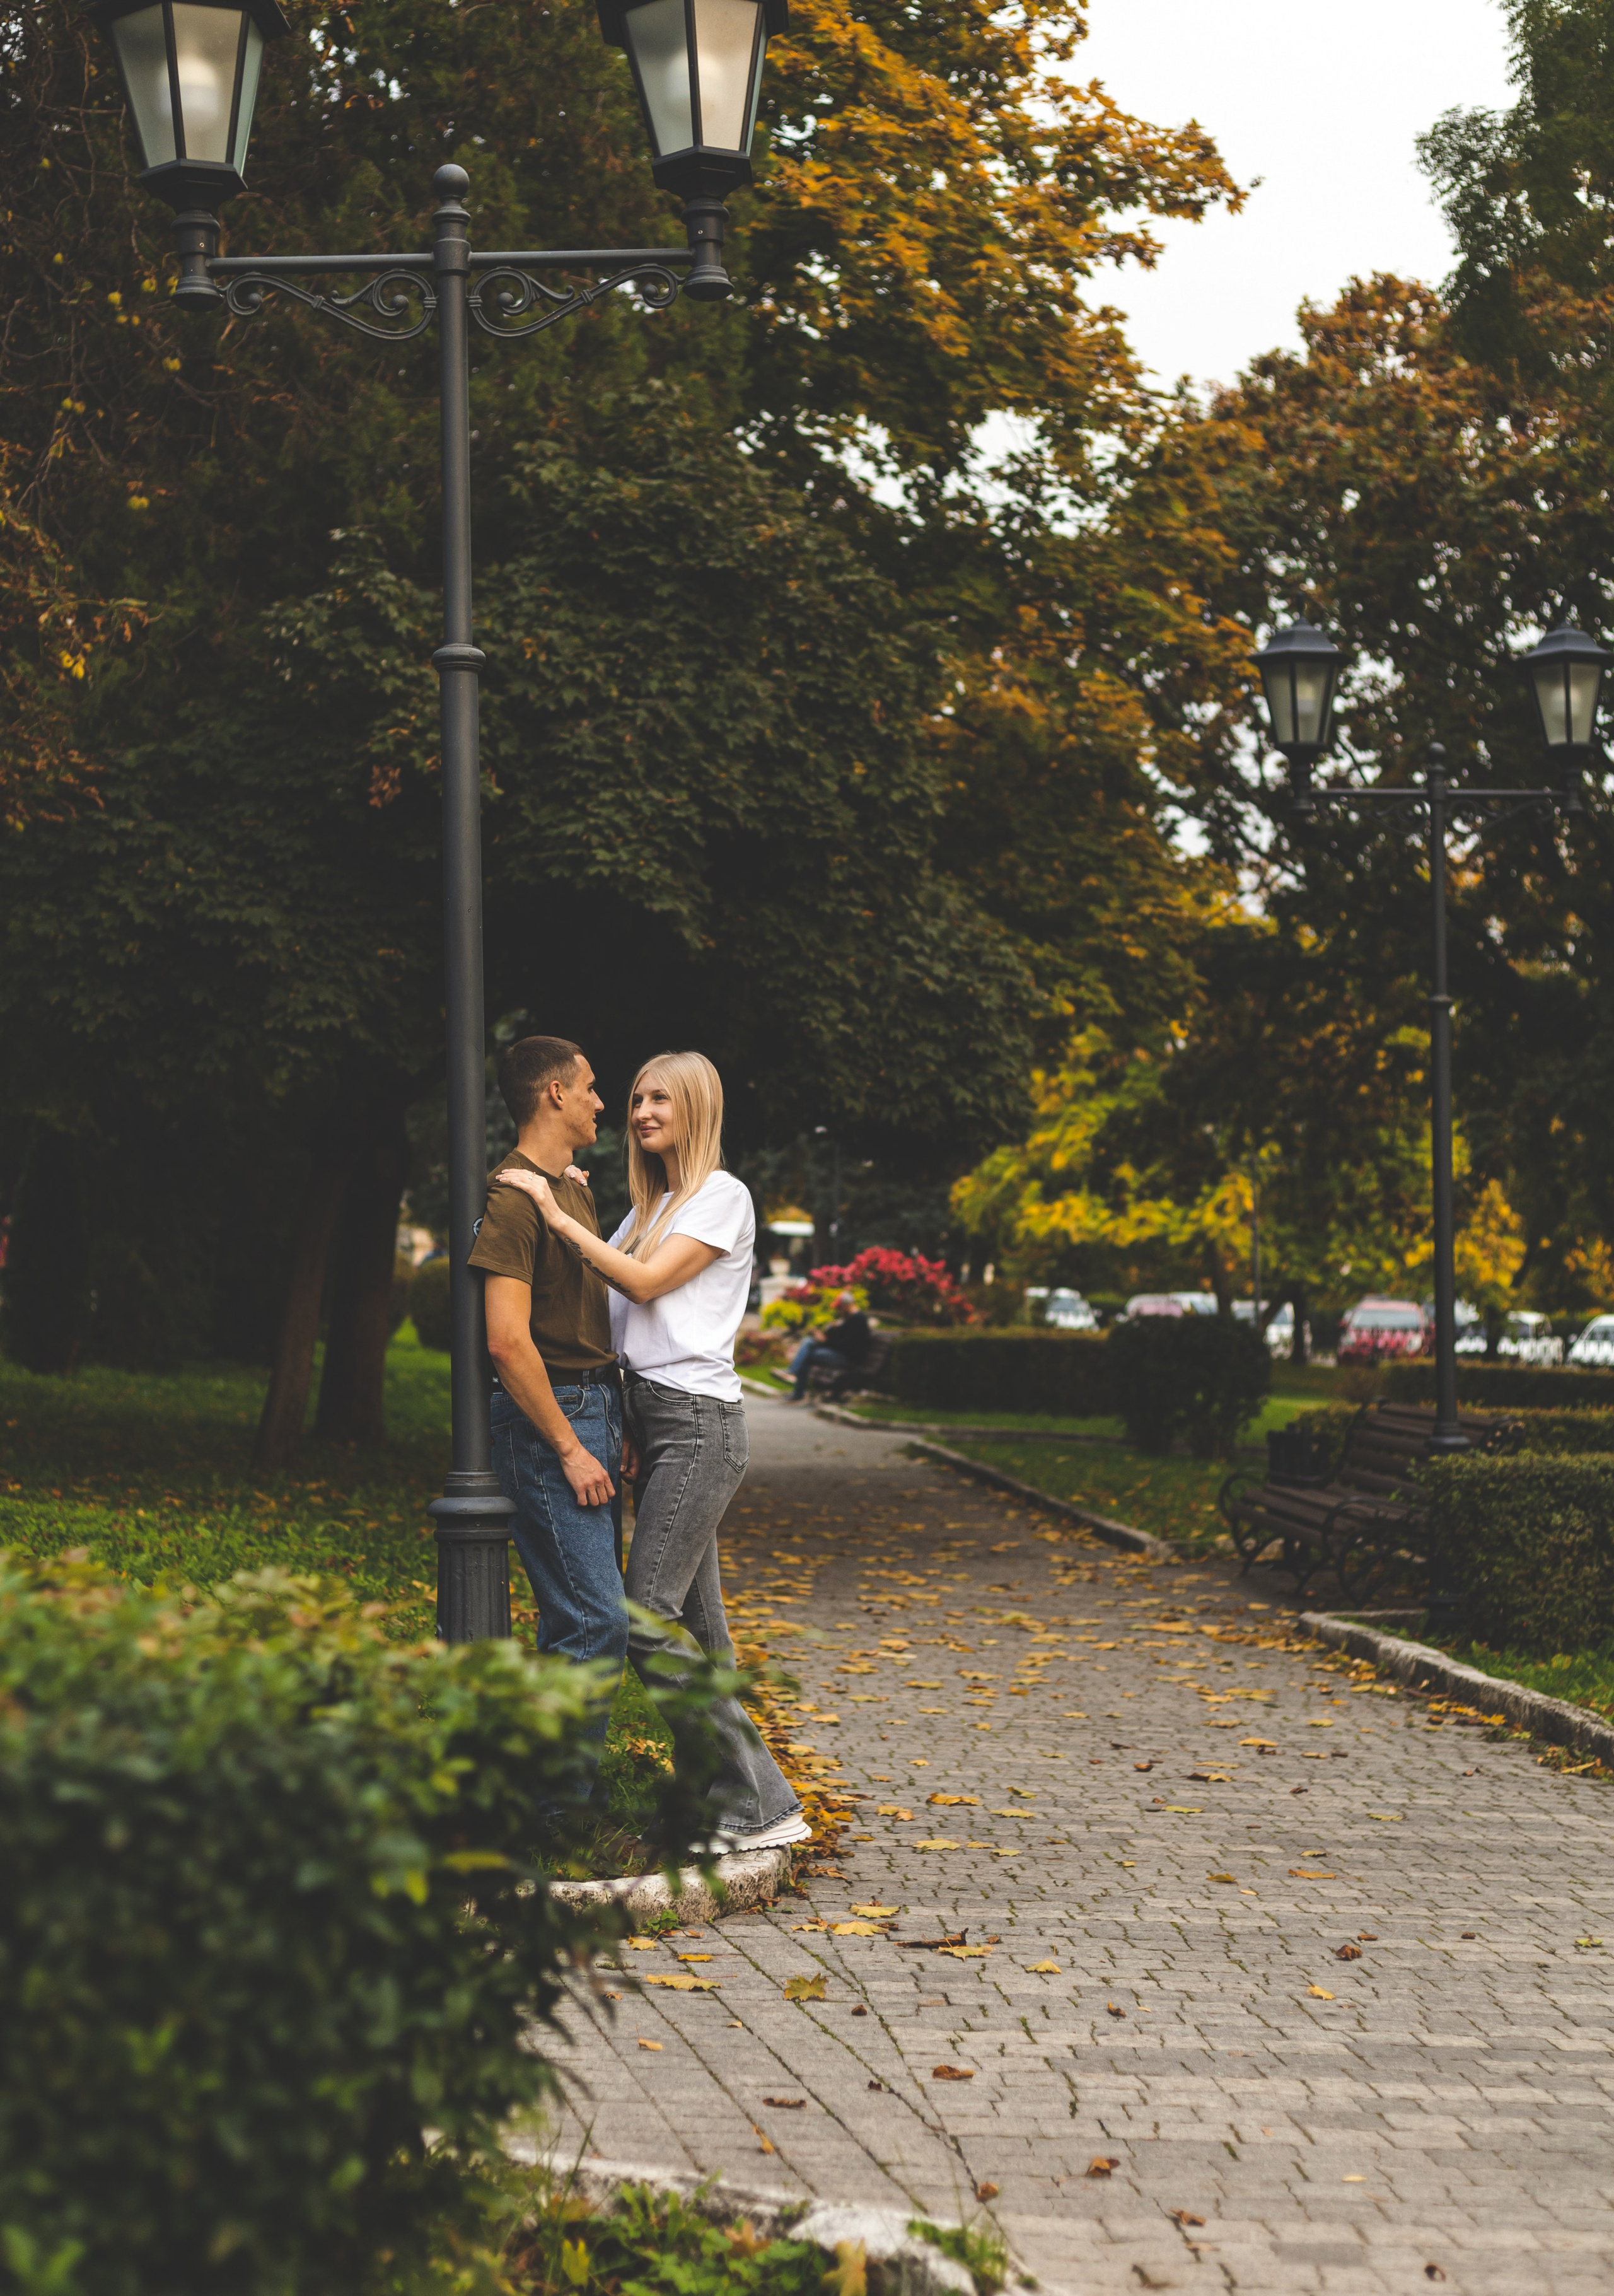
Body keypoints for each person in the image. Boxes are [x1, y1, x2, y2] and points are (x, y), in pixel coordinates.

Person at [495, 1049, 808, 1853]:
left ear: (696, 1104)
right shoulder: (646, 1207)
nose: (639, 1112)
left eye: (658, 1097)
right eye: (633, 1098)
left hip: (700, 1423)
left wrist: (560, 1214)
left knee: (644, 1613)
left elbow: (639, 1285)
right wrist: (576, 1208)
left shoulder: (721, 1197)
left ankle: (758, 1801)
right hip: (653, 1422)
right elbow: (603, 1305)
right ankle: (727, 1795)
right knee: (698, 1625)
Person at [468, 1035, 626, 1817]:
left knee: (585, 1620)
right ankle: (551, 1819)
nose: (604, 1100)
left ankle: (547, 1802)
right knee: (592, 1622)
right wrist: (567, 1445)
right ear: (554, 1093)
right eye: (592, 1086)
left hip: (595, 1405)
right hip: (553, 1420)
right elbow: (506, 1339)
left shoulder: (565, 1185)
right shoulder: (512, 1196)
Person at [787, 1290, 872, 1402]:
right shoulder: (848, 1319)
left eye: (839, 1308)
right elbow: (837, 1338)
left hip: (849, 1358)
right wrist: (831, 1329)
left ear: (847, 1306)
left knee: (809, 1354)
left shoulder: (858, 1320)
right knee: (809, 1342)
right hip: (840, 1353)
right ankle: (794, 1379)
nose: (838, 1311)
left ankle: (794, 1380)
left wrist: (824, 1341)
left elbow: (846, 1345)